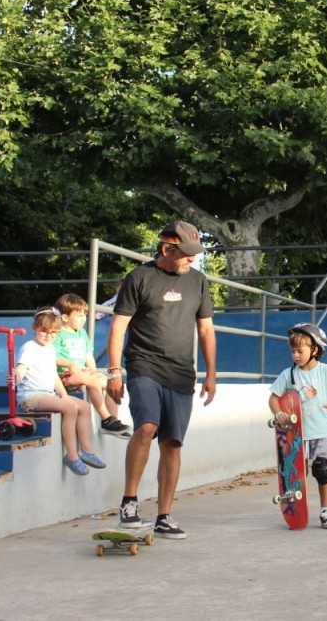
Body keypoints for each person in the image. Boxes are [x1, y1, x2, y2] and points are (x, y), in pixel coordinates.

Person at [106, 221, 217, 540]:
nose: (192, 260)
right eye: (186, 254)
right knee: (146, 427)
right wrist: (114, 371)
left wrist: (211, 373)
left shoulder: (198, 281)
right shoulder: (139, 278)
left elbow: (206, 330)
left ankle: (164, 515)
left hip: (182, 372)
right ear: (167, 249)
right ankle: (129, 502)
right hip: (144, 365)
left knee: (172, 442)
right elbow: (118, 328)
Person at [269, 323, 327, 528]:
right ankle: (297, 508)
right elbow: (273, 399)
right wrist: (280, 413)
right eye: (293, 351)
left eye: (300, 351)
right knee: (298, 472)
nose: (295, 355)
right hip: (296, 433)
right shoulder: (288, 374)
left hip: (322, 430)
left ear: (315, 350)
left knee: (322, 470)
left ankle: (326, 512)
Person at [14, 307, 106, 475]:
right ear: (34, 328)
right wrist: (16, 377)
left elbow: (53, 377)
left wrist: (64, 396)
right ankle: (71, 456)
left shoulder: (50, 349)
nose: (49, 335)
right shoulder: (30, 347)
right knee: (69, 408)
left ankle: (86, 450)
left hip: (48, 394)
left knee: (84, 407)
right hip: (31, 396)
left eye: (54, 332)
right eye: (44, 331)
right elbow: (21, 367)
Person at [54, 293, 130, 438]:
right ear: (64, 317)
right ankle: (106, 419)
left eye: (85, 315)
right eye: (79, 315)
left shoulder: (82, 333)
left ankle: (113, 420)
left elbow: (88, 355)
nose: (84, 319)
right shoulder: (59, 334)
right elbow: (53, 357)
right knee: (93, 381)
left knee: (108, 382)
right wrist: (70, 365)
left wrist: (94, 371)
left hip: (82, 373)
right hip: (65, 374)